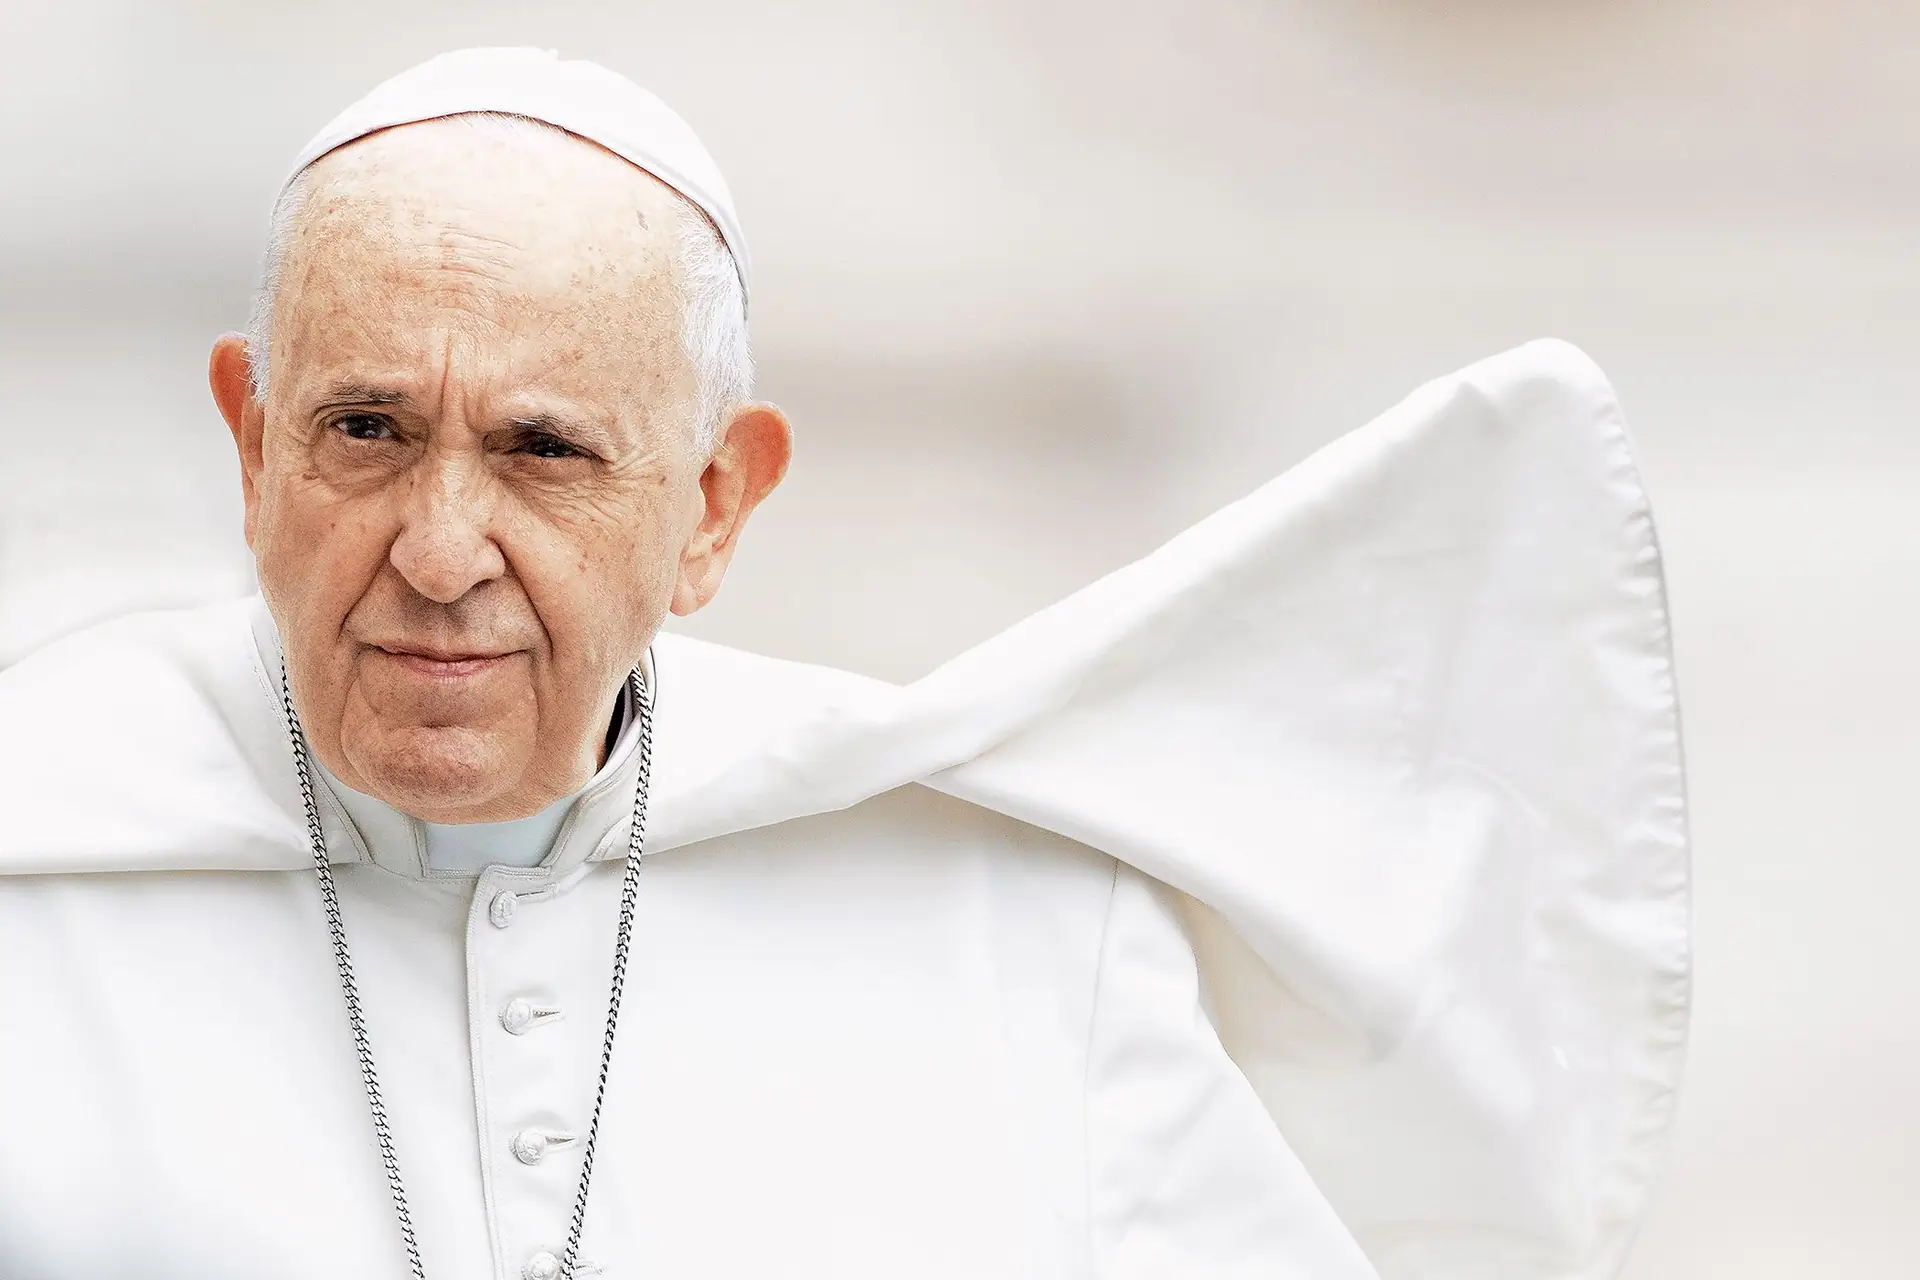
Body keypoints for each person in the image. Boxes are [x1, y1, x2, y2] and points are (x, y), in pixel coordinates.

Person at [0, 47, 1689, 1280]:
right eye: (364, 431)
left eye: (545, 452)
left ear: (717, 508)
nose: (442, 554)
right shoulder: (39, 879)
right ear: (249, 442)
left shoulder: (1019, 936)